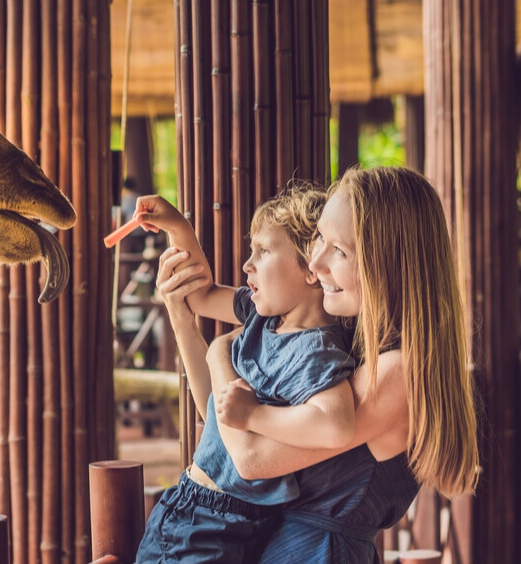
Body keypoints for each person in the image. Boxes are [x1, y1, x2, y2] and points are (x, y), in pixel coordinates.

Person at [159, 166, 480, 562]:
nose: (315, 263)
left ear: (388, 264)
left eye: (339, 250)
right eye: (320, 240)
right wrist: (182, 320)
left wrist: (220, 353)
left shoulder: (398, 371)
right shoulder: (353, 340)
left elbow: (250, 457)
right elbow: (223, 430)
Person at [132, 183, 358, 563]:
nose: (247, 265)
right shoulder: (261, 316)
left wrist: (254, 414)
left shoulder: (316, 351)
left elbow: (336, 422)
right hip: (208, 510)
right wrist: (177, 227)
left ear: (309, 268)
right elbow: (199, 295)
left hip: (211, 521)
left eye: (263, 251)